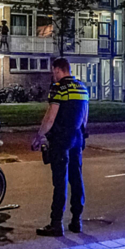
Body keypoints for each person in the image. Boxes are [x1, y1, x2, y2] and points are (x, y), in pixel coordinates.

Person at [32, 57, 89, 236]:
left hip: (60, 140)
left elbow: (50, 117)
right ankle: (76, 221)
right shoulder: (82, 88)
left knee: (60, 182)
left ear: (58, 69)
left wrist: (39, 136)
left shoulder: (58, 89)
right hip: (77, 138)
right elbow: (85, 118)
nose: (52, 75)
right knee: (76, 178)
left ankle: (56, 223)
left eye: (53, 71)